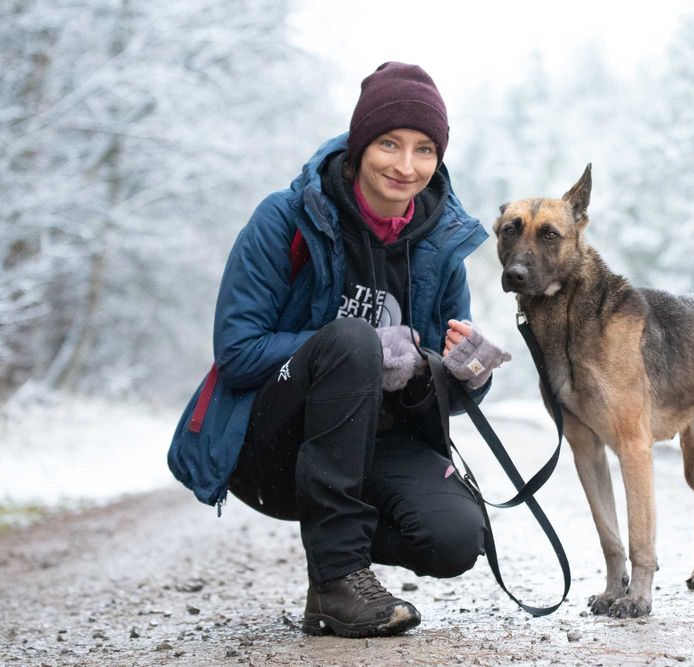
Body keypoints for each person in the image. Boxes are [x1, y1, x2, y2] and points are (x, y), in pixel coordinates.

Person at [168, 62, 512, 639]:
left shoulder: (440, 247)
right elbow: (237, 352)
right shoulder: (286, 218)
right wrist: (364, 350)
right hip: (274, 446)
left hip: (375, 444)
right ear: (359, 145)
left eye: (425, 150)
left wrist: (464, 372)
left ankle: (338, 553)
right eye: (389, 144)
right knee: (352, 341)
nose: (406, 166)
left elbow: (443, 396)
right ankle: (337, 579)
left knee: (456, 537)